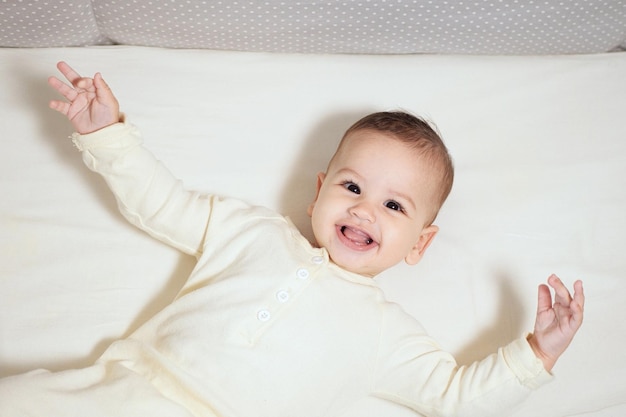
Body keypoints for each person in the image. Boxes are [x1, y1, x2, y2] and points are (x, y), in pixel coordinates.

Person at [0, 62, 584, 417]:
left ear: (419, 244)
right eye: (352, 185)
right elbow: (162, 203)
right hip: (125, 389)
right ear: (318, 191)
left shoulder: (385, 332)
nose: (364, 208)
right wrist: (109, 137)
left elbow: (455, 397)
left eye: (394, 205)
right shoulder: (250, 230)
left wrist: (535, 354)